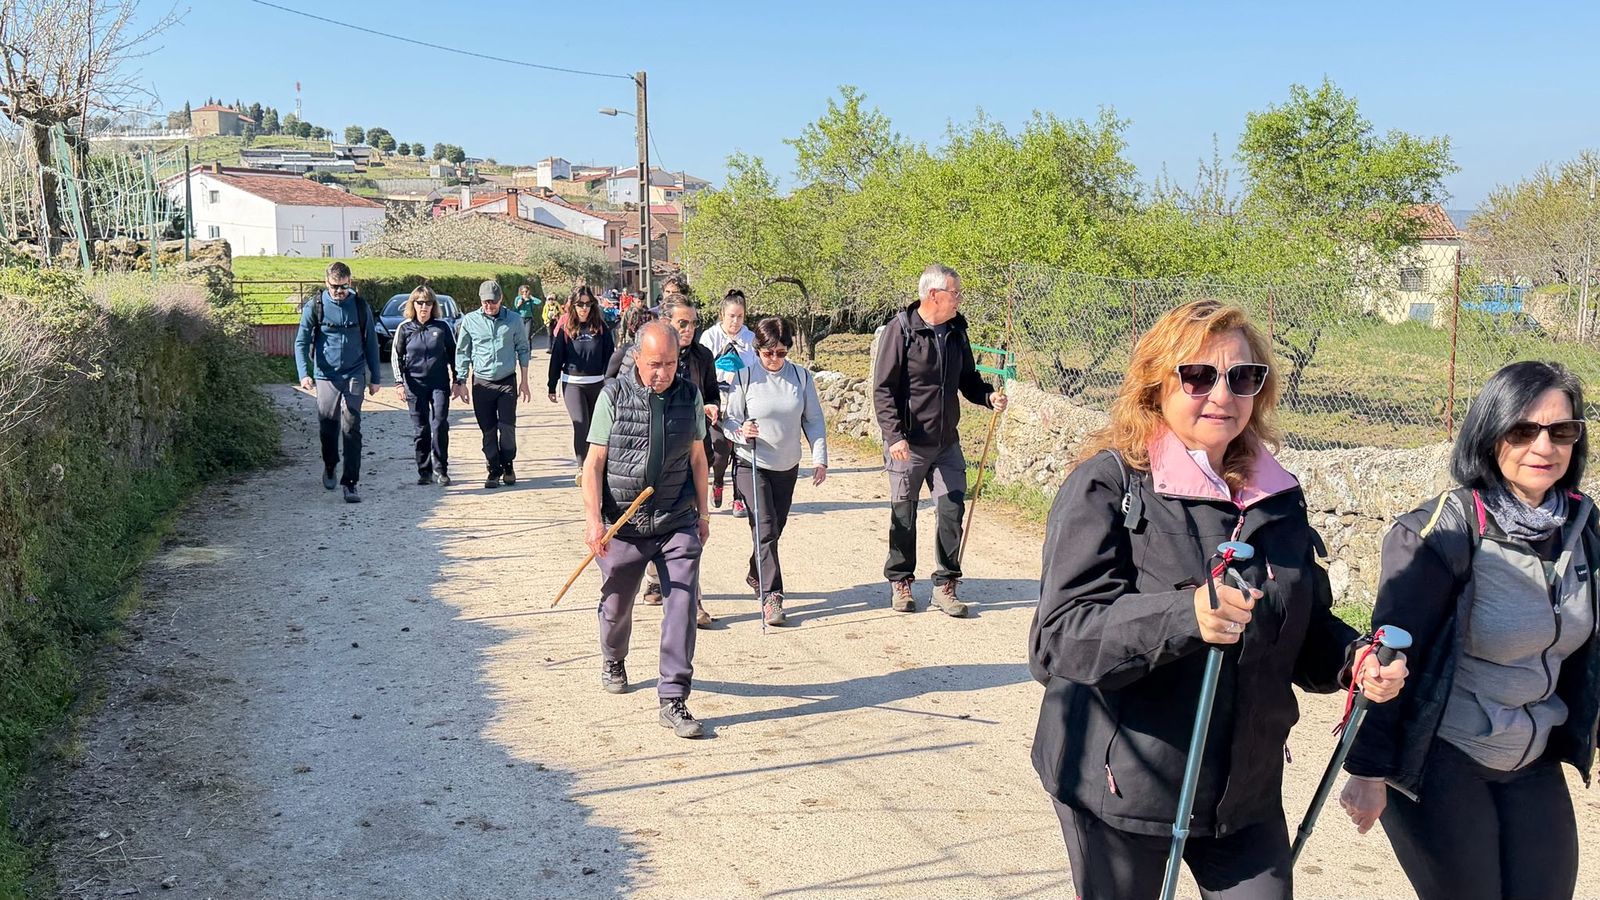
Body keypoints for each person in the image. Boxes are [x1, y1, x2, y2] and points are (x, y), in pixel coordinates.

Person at [1028, 298, 1408, 900]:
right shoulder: (1109, 484)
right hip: (1127, 784)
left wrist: (1353, 659)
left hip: (1242, 790)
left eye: (1243, 377)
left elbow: (1301, 627)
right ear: (1156, 384)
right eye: (1198, 375)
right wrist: (1187, 615)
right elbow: (1061, 637)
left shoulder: (1278, 496)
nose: (1222, 394)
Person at [1338, 360, 1599, 900]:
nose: (1544, 446)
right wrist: (1365, 771)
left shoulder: (1584, 526)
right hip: (1443, 755)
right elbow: (1388, 657)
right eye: (1523, 430)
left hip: (1531, 755)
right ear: (1490, 431)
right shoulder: (1442, 531)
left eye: (1561, 430)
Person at [582, 320, 712, 739]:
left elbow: (698, 458)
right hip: (623, 522)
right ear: (637, 358)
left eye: (672, 364)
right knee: (617, 605)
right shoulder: (613, 396)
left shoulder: (688, 395)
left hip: (675, 518)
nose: (664, 372)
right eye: (655, 364)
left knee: (682, 604)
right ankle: (613, 655)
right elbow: (593, 465)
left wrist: (704, 514)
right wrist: (593, 521)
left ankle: (673, 697)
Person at [871, 263, 1008, 616]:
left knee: (951, 509)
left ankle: (946, 585)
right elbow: (883, 390)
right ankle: (901, 581)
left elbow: (969, 379)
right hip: (909, 445)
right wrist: (894, 436)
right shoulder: (900, 331)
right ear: (934, 295)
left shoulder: (957, 331)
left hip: (946, 443)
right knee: (905, 513)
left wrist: (988, 396)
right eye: (955, 293)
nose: (959, 300)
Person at [721, 317, 828, 626]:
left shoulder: (801, 377)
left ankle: (757, 572)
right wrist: (743, 430)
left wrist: (819, 459)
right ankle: (773, 597)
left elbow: (814, 420)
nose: (774, 359)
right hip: (751, 463)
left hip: (787, 465)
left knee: (774, 530)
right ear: (758, 350)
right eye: (768, 353)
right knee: (765, 528)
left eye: (781, 353)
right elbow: (728, 421)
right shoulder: (744, 377)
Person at [623, 295, 719, 627]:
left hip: (686, 455)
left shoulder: (703, 356)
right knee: (652, 532)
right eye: (682, 323)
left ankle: (693, 603)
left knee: (687, 537)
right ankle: (653, 578)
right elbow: (620, 391)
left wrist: (711, 405)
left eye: (693, 323)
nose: (689, 329)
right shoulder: (636, 357)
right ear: (665, 323)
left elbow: (711, 390)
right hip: (642, 465)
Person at [294, 261, 381, 504]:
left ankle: (350, 483)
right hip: (326, 375)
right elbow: (301, 342)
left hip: (354, 373)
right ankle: (330, 464)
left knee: (351, 426)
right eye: (335, 287)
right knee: (328, 426)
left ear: (350, 283)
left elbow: (371, 343)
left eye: (344, 287)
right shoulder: (316, 306)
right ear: (326, 283)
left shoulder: (360, 306)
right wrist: (303, 373)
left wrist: (375, 377)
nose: (339, 292)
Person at [453, 281, 532, 489]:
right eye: (486, 302)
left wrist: (525, 381)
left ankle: (508, 464)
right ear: (481, 301)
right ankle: (493, 469)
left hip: (506, 381)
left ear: (501, 300)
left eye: (494, 302)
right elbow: (462, 352)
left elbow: (523, 349)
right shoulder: (470, 321)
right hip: (482, 382)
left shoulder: (514, 320)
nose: (490, 306)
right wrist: (461, 381)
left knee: (507, 429)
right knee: (488, 430)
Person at [390, 285, 457, 485]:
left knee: (440, 425)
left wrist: (458, 380)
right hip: (414, 384)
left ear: (433, 306)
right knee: (421, 429)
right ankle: (424, 470)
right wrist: (399, 383)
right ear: (413, 305)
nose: (424, 307)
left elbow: (454, 354)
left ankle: (441, 470)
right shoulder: (405, 328)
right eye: (420, 303)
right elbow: (396, 356)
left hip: (439, 384)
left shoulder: (442, 327)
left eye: (428, 303)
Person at [700, 290, 758, 514]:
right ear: (722, 314)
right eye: (731, 316)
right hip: (718, 403)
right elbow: (704, 369)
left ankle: (739, 498)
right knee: (721, 451)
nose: (735, 321)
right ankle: (718, 481)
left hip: (743, 404)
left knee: (741, 452)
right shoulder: (710, 337)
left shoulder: (750, 339)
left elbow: (755, 369)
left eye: (740, 316)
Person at [548, 286, 616, 474]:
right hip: (573, 383)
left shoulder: (601, 328)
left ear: (593, 305)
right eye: (580, 304)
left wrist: (612, 383)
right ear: (574, 306)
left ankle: (598, 466)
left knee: (598, 427)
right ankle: (582, 467)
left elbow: (610, 358)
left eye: (587, 304)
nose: (584, 308)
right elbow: (556, 358)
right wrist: (551, 386)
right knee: (581, 424)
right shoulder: (565, 329)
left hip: (597, 383)